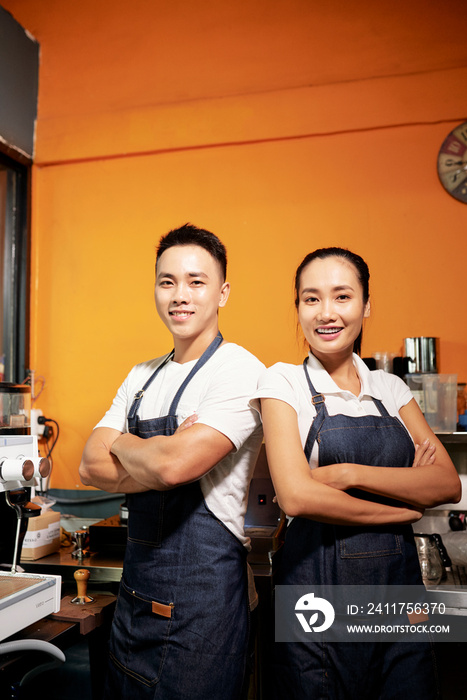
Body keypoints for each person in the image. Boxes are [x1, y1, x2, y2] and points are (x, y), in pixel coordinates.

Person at [252, 246, 461, 700]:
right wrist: (403, 509)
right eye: (311, 299)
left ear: (366, 305)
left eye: (342, 297)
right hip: (314, 600)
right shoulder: (282, 382)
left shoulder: (390, 387)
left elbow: (446, 483)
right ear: (299, 308)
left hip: (399, 598)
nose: (326, 313)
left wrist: (344, 472)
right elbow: (297, 499)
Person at [79, 223, 264, 700]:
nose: (180, 295)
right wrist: (158, 451)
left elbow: (173, 468)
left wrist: (120, 440)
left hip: (202, 614)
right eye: (167, 282)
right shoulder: (141, 375)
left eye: (196, 282)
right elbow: (89, 466)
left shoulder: (240, 369)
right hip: (135, 600)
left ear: (222, 292)